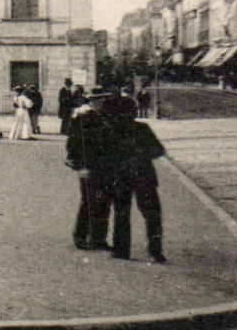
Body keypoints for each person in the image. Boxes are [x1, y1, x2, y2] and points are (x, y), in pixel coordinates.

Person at [107, 97, 167, 262]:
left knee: (122, 214)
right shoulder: (143, 129)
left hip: (122, 178)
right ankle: (156, 250)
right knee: (152, 214)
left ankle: (121, 250)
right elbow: (159, 150)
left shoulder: (112, 130)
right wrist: (142, 154)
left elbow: (105, 155)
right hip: (143, 176)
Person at [65, 91, 114, 250]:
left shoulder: (107, 118)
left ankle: (99, 238)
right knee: (89, 201)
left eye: (104, 99)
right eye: (99, 100)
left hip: (105, 166)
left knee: (104, 202)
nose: (102, 103)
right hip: (89, 166)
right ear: (92, 101)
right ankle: (80, 236)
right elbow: (74, 144)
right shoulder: (83, 118)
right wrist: (81, 166)